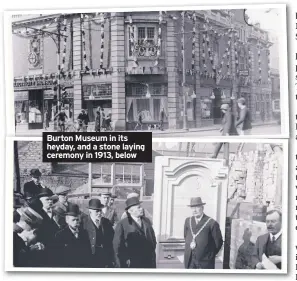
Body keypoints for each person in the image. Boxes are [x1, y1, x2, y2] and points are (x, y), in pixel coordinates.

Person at [113, 197, 157, 268]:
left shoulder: (147, 221)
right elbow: (117, 245)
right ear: (130, 211)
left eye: (141, 207)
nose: (141, 209)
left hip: (148, 261)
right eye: (138, 207)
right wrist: (124, 259)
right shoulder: (122, 224)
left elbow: (152, 238)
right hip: (132, 263)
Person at [183, 197, 223, 269]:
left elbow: (218, 243)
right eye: (192, 207)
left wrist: (208, 256)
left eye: (197, 207)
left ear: (202, 208)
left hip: (205, 263)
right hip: (189, 261)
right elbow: (186, 237)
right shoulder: (188, 221)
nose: (194, 210)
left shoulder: (211, 223)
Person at [82, 199, 115, 268]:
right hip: (90, 258)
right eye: (97, 211)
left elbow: (112, 240)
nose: (99, 213)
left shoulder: (106, 222)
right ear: (90, 211)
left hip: (105, 259)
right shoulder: (83, 223)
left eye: (100, 210)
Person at [36, 188, 60, 266]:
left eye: (51, 199)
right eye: (47, 200)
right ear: (41, 201)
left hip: (58, 248)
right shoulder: (38, 215)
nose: (50, 201)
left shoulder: (57, 213)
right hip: (45, 249)